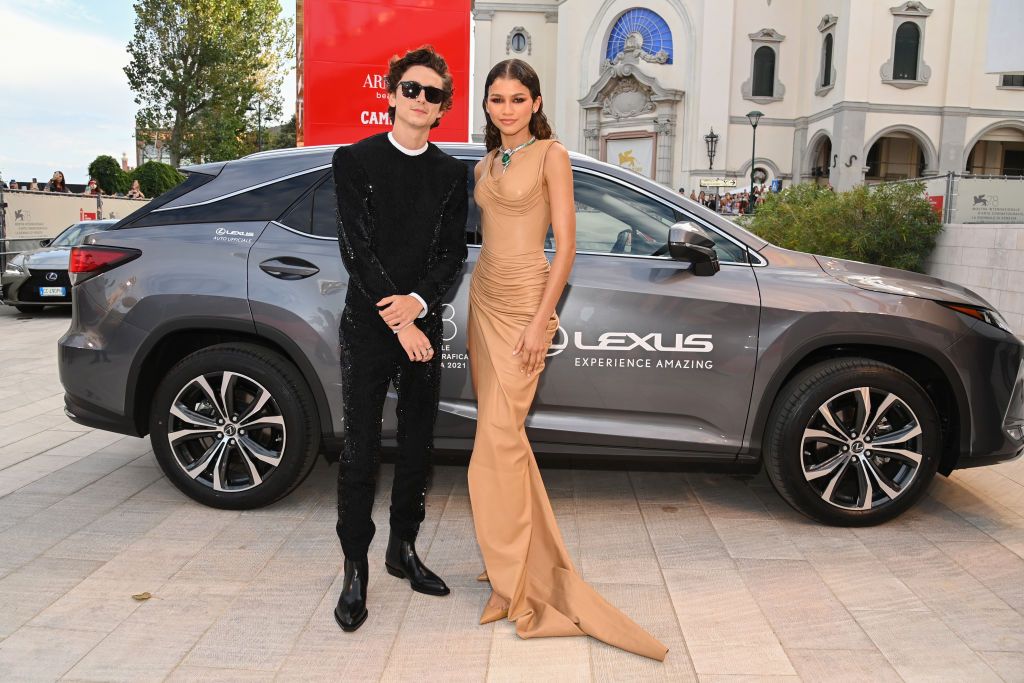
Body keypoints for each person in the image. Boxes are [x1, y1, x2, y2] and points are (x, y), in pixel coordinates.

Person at [467, 58, 668, 661]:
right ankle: (514, 564)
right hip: (483, 299)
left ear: (535, 102)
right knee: (505, 442)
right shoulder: (484, 164)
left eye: (517, 99)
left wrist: (540, 320)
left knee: (495, 444)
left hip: (525, 303)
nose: (506, 109)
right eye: (496, 99)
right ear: (487, 104)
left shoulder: (552, 155)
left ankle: (515, 582)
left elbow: (568, 245)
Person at [331, 45, 468, 633]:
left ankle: (402, 548)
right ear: (391, 95)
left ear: (441, 108)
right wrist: (401, 319)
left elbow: (452, 254)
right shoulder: (355, 160)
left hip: (423, 325)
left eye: (431, 94)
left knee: (417, 445)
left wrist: (419, 306)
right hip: (370, 326)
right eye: (410, 89)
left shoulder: (451, 174)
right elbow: (356, 250)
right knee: (361, 447)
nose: (419, 99)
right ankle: (355, 566)